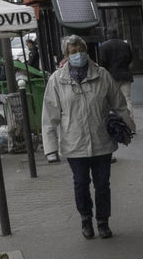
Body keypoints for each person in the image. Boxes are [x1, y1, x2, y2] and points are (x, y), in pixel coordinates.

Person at [42, 35, 135, 240]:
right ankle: (85, 219)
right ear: (66, 56)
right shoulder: (57, 80)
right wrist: (50, 149)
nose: (78, 54)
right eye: (73, 52)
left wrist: (129, 130)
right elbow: (49, 117)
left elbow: (119, 105)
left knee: (102, 185)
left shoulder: (102, 75)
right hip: (73, 142)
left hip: (101, 140)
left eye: (81, 50)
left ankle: (103, 221)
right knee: (81, 183)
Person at [97, 31, 135, 114]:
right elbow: (130, 59)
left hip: (111, 77)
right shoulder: (125, 45)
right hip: (125, 75)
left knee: (112, 100)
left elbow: (102, 62)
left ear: (107, 35)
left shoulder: (104, 46)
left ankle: (116, 119)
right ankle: (129, 118)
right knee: (127, 98)